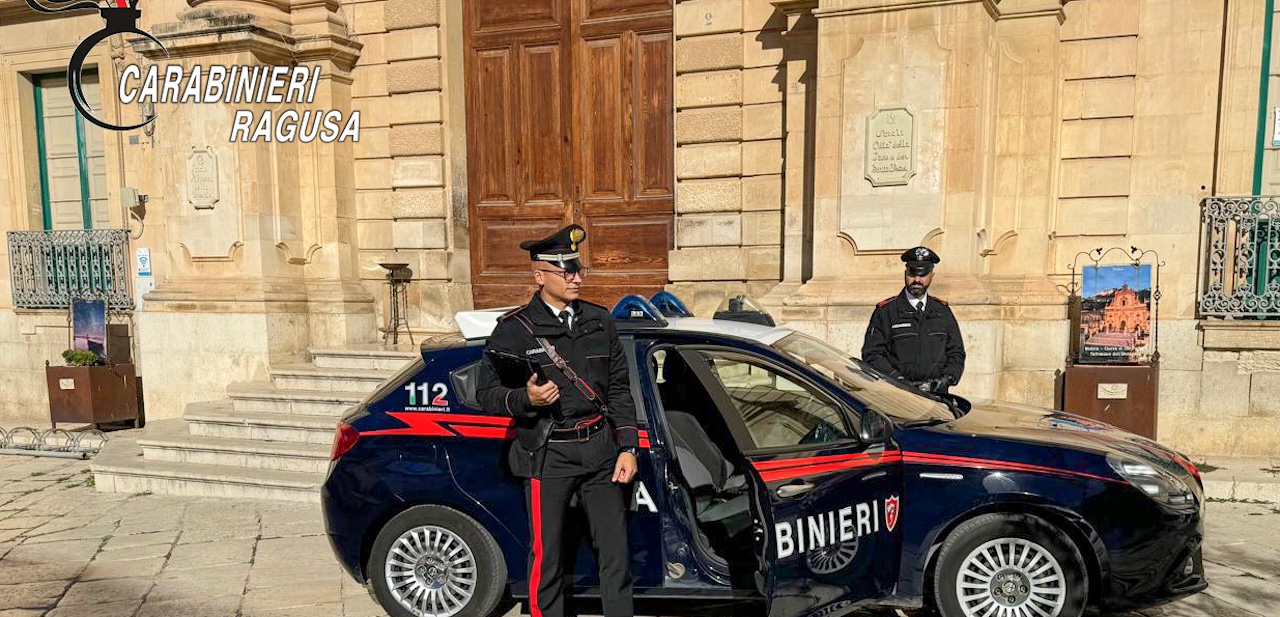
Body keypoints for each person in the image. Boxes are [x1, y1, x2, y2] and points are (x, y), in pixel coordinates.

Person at [476, 224, 639, 617]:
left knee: (615, 556)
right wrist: (524, 398)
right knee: (547, 557)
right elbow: (485, 395)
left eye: (578, 270)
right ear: (540, 276)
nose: (577, 278)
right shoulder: (514, 330)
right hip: (549, 453)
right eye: (567, 272)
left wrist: (628, 446)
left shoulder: (600, 322)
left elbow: (619, 388)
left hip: (600, 450)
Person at [861, 246, 966, 394]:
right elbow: (872, 355)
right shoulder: (886, 311)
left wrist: (947, 378)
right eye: (912, 273)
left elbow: (956, 352)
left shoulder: (942, 311)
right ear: (905, 273)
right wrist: (897, 380)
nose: (917, 279)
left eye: (922, 274)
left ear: (932, 275)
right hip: (898, 395)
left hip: (936, 396)